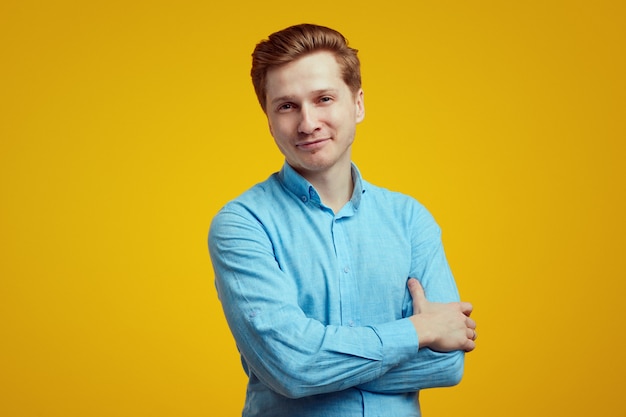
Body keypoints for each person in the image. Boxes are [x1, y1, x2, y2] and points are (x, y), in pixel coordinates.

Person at [208, 23, 477, 417]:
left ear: (358, 104)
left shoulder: (410, 219)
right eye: (286, 105)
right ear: (267, 116)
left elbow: (446, 363)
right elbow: (291, 369)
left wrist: (316, 366)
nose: (307, 122)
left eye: (324, 99)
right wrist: (419, 332)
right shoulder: (243, 224)